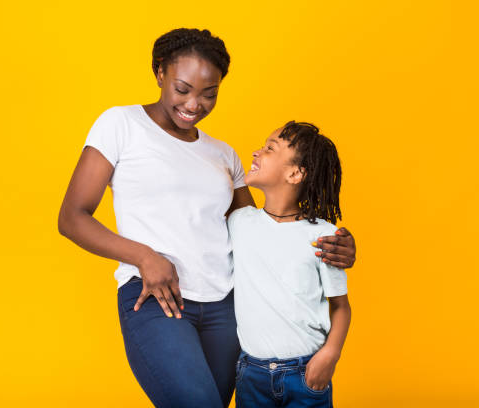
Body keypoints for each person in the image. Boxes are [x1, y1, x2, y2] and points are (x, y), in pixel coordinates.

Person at [58, 28, 356, 408]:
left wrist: (335, 244)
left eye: (209, 93)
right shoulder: (121, 124)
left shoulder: (223, 155)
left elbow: (263, 227)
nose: (194, 104)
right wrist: (145, 257)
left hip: (227, 308)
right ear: (159, 72)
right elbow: (71, 217)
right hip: (156, 297)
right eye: (183, 89)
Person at [229, 121, 350, 408]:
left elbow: (341, 306)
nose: (257, 152)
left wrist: (330, 356)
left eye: (270, 148)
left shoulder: (322, 236)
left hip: (306, 373)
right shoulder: (238, 222)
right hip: (251, 374)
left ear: (295, 173)